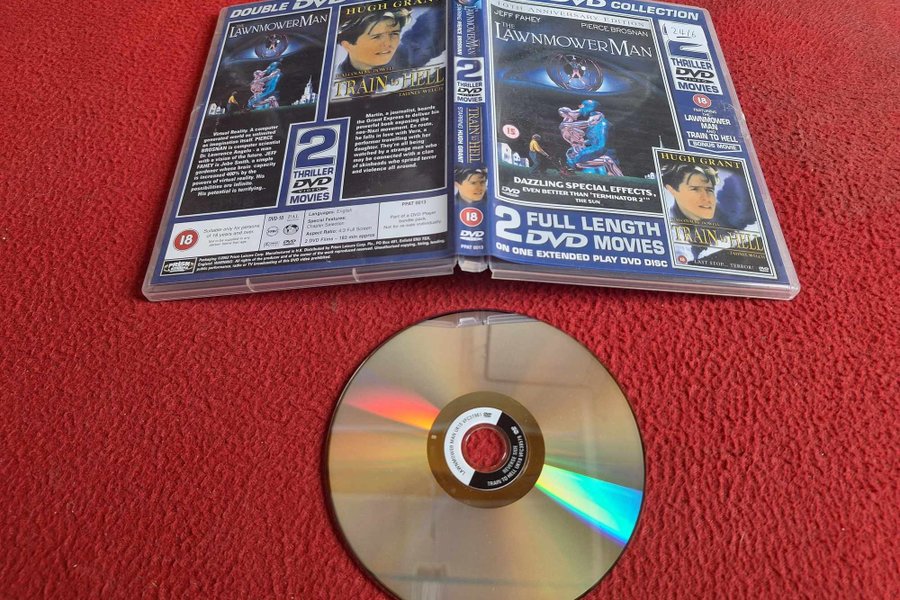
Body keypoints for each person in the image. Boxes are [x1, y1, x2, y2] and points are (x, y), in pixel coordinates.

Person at [336, 9, 411, 74]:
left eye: (394, 34)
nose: (388, 43)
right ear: (347, 45)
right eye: (376, 37)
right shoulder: (335, 79)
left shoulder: (409, 68)